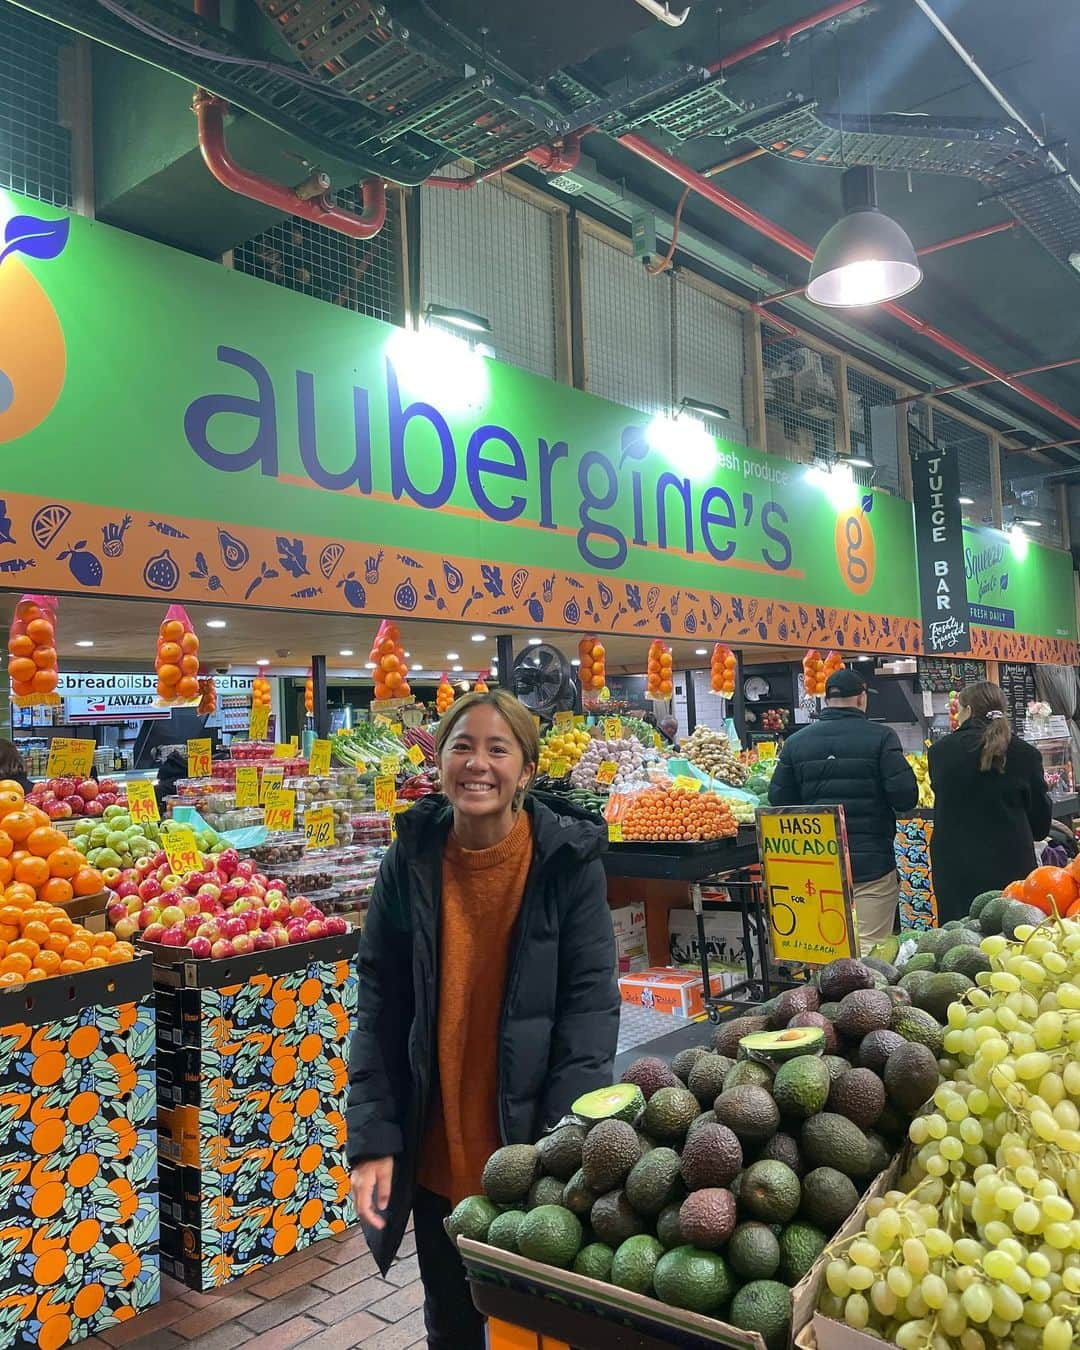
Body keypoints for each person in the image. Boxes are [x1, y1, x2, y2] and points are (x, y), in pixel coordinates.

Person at [346, 689, 619, 1349]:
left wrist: (557, 1151)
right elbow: (378, 1005)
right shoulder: (407, 860)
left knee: (539, 1326)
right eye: (461, 746)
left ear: (525, 770)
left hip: (529, 1152)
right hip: (438, 1153)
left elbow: (589, 1014)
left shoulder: (566, 865)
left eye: (498, 749)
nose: (477, 764)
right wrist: (374, 1139)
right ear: (439, 760)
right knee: (453, 1320)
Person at [768, 668, 917, 952]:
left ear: (826, 700)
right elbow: (905, 797)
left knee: (825, 948)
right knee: (871, 951)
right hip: (871, 866)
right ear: (862, 698)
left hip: (818, 866)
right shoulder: (882, 738)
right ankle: (864, 997)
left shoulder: (796, 742)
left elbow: (778, 800)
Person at [927, 681, 1051, 922]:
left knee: (958, 939)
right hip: (1011, 862)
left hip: (954, 864)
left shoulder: (940, 752)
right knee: (1013, 932)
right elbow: (1040, 826)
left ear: (969, 710)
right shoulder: (1026, 754)